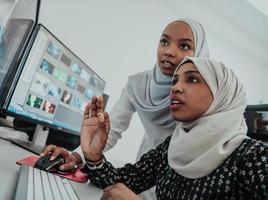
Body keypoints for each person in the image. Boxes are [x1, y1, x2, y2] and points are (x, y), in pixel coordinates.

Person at [41, 18, 210, 199]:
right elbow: (111, 129)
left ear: (199, 55)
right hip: (146, 168)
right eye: (164, 42)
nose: (169, 51)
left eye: (184, 46)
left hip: (180, 178)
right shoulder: (138, 84)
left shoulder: (202, 98)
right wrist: (78, 156)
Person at [79, 57, 268, 199]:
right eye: (174, 81)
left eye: (192, 79)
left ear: (222, 94)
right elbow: (121, 182)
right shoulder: (171, 146)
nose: (175, 88)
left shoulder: (255, 159)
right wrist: (93, 155)